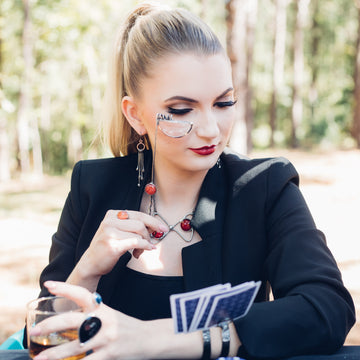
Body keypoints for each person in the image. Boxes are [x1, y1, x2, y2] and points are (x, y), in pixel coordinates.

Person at [25, 2, 355, 360]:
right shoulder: (92, 186)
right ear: (135, 114)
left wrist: (152, 338)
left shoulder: (265, 187)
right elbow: (42, 336)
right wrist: (87, 269)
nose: (211, 130)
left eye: (224, 103)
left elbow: (327, 309)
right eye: (182, 110)